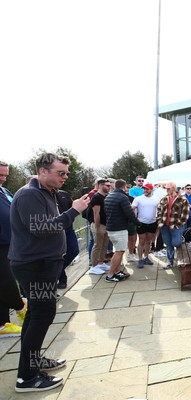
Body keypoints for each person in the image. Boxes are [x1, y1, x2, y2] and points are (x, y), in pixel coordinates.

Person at [9, 152, 89, 392]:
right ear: (43, 171)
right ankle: (27, 378)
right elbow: (41, 229)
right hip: (36, 266)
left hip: (42, 264)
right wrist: (73, 211)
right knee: (42, 315)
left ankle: (32, 363)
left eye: (66, 173)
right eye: (60, 173)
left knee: (35, 316)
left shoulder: (46, 191)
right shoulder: (30, 194)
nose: (65, 177)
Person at [0, 161, 27, 339]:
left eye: (5, 175)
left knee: (5, 282)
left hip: (10, 242)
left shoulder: (4, 190)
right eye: (0, 175)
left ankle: (2, 324)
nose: (3, 178)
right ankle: (21, 307)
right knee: (6, 281)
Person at [104, 179, 139, 282]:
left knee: (118, 250)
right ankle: (110, 275)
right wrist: (138, 224)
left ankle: (117, 272)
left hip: (111, 228)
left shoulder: (109, 196)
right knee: (119, 251)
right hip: (119, 229)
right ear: (124, 187)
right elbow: (130, 213)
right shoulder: (123, 197)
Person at [156, 182, 190, 268]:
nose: (166, 190)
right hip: (164, 226)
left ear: (174, 188)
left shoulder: (183, 199)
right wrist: (160, 222)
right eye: (166, 188)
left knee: (175, 243)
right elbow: (159, 210)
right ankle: (170, 261)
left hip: (176, 226)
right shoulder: (164, 198)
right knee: (168, 244)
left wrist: (178, 225)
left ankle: (180, 239)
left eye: (168, 188)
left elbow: (185, 214)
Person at [132, 183, 160, 268]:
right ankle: (140, 259)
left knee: (148, 241)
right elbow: (132, 207)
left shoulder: (156, 199)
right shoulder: (138, 198)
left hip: (152, 222)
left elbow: (160, 209)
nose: (145, 190)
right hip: (141, 222)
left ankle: (146, 257)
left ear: (151, 190)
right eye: (144, 189)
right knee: (141, 241)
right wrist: (135, 218)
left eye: (147, 189)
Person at [89, 179, 112, 275]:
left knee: (104, 245)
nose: (109, 187)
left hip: (106, 224)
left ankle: (101, 262)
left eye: (109, 185)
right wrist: (97, 227)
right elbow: (96, 214)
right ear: (101, 185)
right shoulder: (96, 197)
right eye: (107, 185)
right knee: (97, 245)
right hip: (99, 225)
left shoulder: (105, 196)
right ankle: (93, 266)